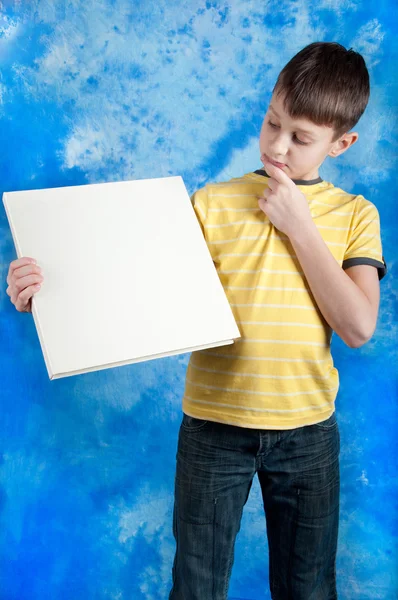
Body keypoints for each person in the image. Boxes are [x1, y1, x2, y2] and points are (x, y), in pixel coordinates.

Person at [6, 42, 387, 599]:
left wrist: (300, 227)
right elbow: (136, 287)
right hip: (213, 429)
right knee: (196, 586)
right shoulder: (211, 204)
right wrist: (46, 293)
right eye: (272, 122)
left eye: (301, 138)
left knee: (308, 588)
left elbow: (358, 327)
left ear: (341, 143)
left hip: (307, 432)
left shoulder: (355, 215)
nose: (278, 146)